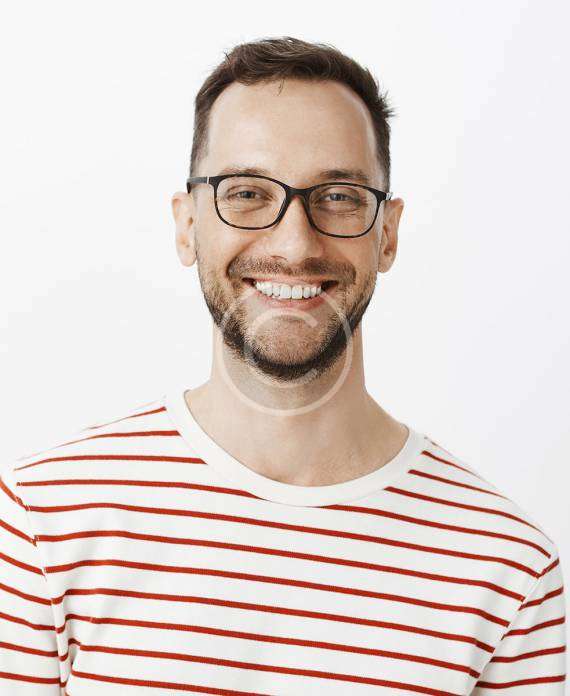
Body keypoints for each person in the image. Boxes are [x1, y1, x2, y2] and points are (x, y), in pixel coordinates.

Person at [0, 36, 565, 695]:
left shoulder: (507, 570)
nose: (295, 246)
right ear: (186, 225)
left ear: (387, 233)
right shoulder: (41, 523)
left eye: (339, 196)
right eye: (246, 192)